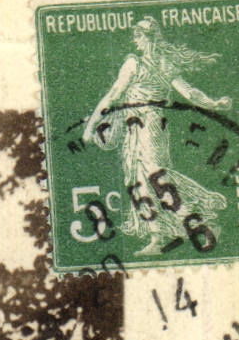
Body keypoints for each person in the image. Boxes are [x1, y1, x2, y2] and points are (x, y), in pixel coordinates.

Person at [84, 18, 231, 255]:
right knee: (136, 180)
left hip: (148, 123)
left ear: (147, 37)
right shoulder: (164, 63)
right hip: (140, 125)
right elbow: (191, 93)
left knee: (154, 175)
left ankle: (201, 219)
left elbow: (113, 95)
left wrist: (90, 127)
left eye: (138, 36)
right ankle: (157, 236)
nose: (135, 40)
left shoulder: (135, 64)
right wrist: (214, 103)